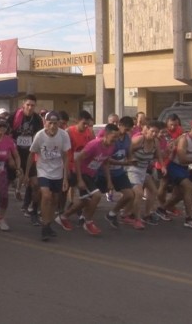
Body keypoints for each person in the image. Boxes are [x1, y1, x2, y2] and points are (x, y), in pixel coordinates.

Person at [56, 124, 120, 236]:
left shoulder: (111, 146)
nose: (115, 140)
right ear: (106, 135)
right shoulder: (94, 145)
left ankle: (63, 217)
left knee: (84, 201)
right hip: (81, 172)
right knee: (97, 195)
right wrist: (79, 180)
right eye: (113, 137)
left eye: (117, 137)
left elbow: (105, 163)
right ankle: (88, 222)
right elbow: (77, 160)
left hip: (91, 174)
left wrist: (109, 181)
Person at [157, 118, 192, 229]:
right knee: (188, 187)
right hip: (174, 166)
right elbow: (182, 159)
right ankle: (189, 218)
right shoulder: (184, 139)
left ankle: (161, 209)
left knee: (179, 195)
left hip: (184, 168)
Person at [29, 112, 71, 241]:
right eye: (50, 123)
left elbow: (66, 156)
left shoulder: (63, 135)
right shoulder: (40, 135)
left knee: (54, 199)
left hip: (57, 171)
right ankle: (44, 226)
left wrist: (65, 178)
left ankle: (48, 224)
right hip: (43, 170)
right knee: (46, 196)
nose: (52, 126)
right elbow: (32, 154)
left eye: (55, 123)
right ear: (45, 123)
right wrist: (28, 174)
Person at [125, 120, 164, 227]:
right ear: (147, 130)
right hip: (132, 170)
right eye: (152, 131)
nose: (154, 134)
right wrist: (130, 158)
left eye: (156, 132)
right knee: (139, 193)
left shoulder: (156, 142)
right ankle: (136, 219)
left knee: (153, 191)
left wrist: (163, 166)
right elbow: (127, 150)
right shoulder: (139, 140)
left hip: (143, 170)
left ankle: (146, 214)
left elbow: (159, 155)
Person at [102, 116, 137, 229]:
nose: (127, 132)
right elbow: (106, 159)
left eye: (129, 130)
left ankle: (112, 214)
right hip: (104, 171)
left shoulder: (127, 138)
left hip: (119, 172)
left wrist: (131, 160)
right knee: (93, 196)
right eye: (126, 129)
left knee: (130, 195)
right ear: (120, 125)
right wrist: (124, 164)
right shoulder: (112, 138)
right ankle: (83, 216)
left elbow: (129, 153)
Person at [12, 95, 44, 218]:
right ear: (23, 104)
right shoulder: (14, 116)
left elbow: (39, 137)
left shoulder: (37, 119)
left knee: (35, 183)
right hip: (14, 154)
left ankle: (29, 207)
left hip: (30, 154)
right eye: (28, 105)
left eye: (32, 105)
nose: (30, 107)